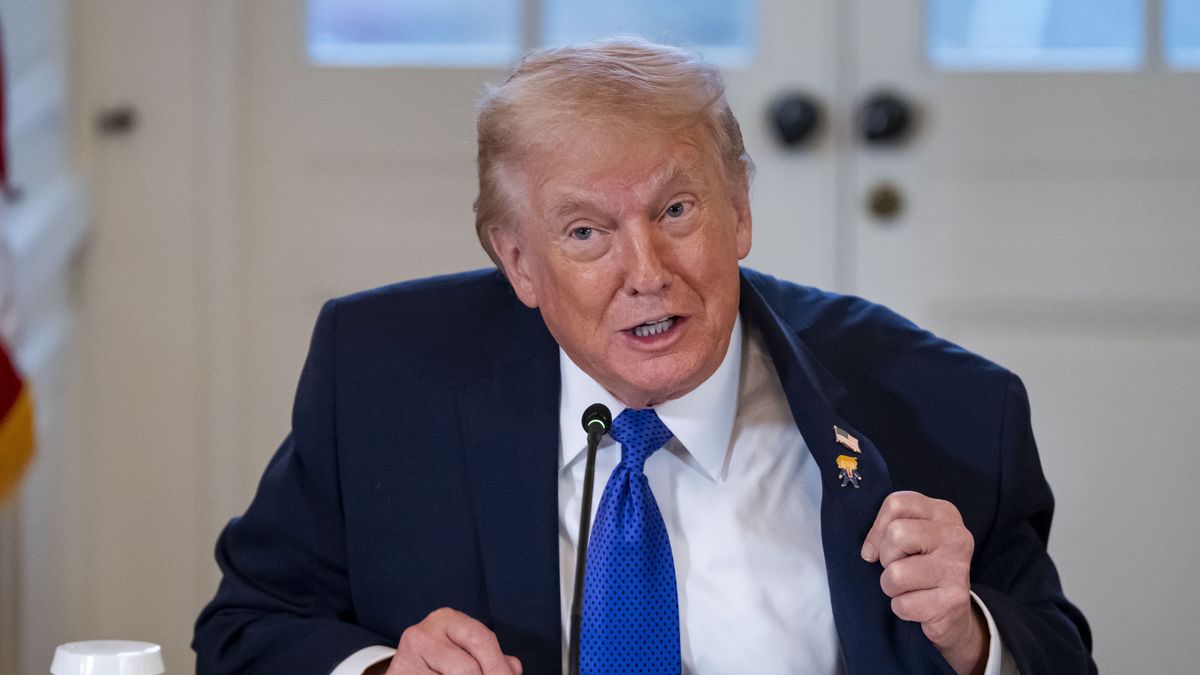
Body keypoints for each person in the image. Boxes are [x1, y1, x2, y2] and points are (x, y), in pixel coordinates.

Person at [193, 38, 1095, 675]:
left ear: (739, 209)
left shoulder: (948, 406)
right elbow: (247, 627)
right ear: (518, 261)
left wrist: (969, 636)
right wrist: (385, 669)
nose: (647, 272)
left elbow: (1057, 652)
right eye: (586, 231)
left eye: (676, 211)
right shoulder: (383, 378)